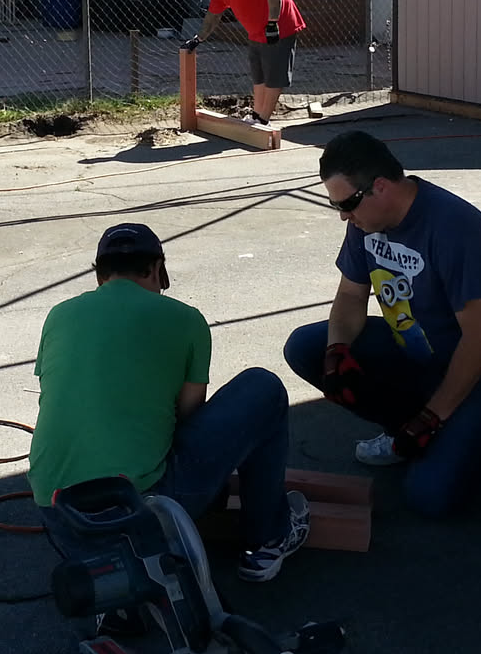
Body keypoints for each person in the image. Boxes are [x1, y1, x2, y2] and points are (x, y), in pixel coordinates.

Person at [283, 130, 481, 517]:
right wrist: (336, 352)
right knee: (307, 347)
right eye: (337, 206)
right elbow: (350, 295)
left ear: (380, 187)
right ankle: (406, 431)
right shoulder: (365, 223)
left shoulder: (454, 226)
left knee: (430, 497)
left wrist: (432, 418)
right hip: (422, 351)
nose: (344, 216)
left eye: (346, 204)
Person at [30, 222, 311, 582]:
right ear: (157, 268)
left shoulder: (60, 314)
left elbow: (55, 393)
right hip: (142, 511)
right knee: (263, 388)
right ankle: (268, 539)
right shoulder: (186, 319)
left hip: (59, 515)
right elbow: (188, 416)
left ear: (99, 275)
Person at [182, 0, 307, 125]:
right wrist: (198, 38)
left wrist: (273, 23)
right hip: (255, 32)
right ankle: (256, 116)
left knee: (274, 76)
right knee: (259, 76)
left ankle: (263, 120)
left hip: (279, 26)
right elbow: (214, 14)